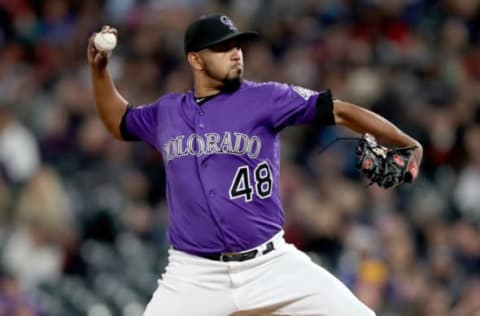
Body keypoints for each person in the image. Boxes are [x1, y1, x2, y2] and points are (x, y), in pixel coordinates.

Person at [87, 14, 422, 316]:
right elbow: (119, 122)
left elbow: (340, 110)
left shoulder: (266, 98)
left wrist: (405, 142)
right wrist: (99, 70)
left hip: (271, 264)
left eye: (237, 45)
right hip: (194, 274)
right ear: (195, 59)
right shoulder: (167, 111)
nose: (235, 53)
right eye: (222, 48)